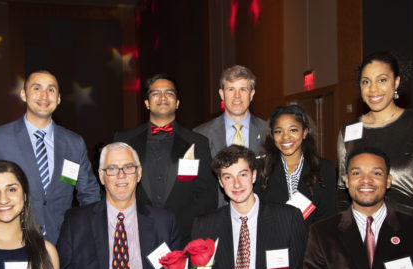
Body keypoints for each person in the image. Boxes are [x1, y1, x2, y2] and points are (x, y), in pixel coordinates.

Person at [337, 51, 413, 266]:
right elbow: (342, 189)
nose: (373, 89)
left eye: (382, 80)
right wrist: (343, 233)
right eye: (366, 81)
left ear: (396, 82)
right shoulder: (349, 131)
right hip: (365, 237)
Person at [0, 70, 100, 245]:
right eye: (37, 88)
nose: (44, 95)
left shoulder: (73, 143)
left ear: (58, 99)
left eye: (51, 90)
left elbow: (89, 193)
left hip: (62, 245)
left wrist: (86, 233)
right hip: (10, 244)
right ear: (23, 94)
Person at [57, 142, 181, 269]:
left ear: (139, 173)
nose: (121, 175)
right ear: (101, 176)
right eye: (112, 169)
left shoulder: (164, 222)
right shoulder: (76, 222)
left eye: (128, 167)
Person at [191, 145, 307, 269]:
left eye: (242, 174)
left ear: (253, 176)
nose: (236, 184)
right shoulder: (204, 226)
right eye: (228, 177)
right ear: (220, 181)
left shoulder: (289, 219)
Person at [114, 73, 217, 245]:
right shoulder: (124, 140)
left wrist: (178, 224)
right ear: (146, 103)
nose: (163, 97)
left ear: (177, 103)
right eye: (156, 93)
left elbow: (208, 194)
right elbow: (113, 187)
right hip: (135, 234)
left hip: (182, 237)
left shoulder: (197, 142)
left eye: (169, 93)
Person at [194, 65, 267, 207]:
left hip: (260, 217)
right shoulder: (200, 135)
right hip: (216, 217)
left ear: (252, 94)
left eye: (243, 89)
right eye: (231, 89)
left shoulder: (268, 132)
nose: (237, 96)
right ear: (221, 94)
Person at [257, 105, 336, 225]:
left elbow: (328, 219)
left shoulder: (324, 169)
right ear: (272, 136)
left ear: (305, 132)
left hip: (311, 241)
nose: (285, 137)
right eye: (278, 131)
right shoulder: (261, 169)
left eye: (293, 130)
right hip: (274, 241)